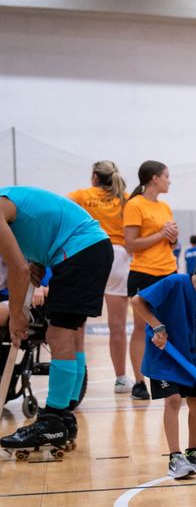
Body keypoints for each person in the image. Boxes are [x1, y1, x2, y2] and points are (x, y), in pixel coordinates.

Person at [0, 186, 112, 454]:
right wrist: (38, 258)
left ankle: (52, 420)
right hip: (87, 249)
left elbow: (18, 269)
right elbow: (33, 246)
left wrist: (16, 316)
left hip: (79, 250)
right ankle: (62, 417)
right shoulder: (7, 200)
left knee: (58, 334)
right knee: (68, 334)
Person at [130, 247, 196, 479]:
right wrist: (157, 326)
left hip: (188, 360)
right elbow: (137, 301)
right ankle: (175, 456)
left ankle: (193, 451)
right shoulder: (174, 283)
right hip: (163, 358)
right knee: (172, 401)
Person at [68, 160, 134, 393]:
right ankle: (121, 379)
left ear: (95, 177)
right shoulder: (125, 197)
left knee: (77, 324)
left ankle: (77, 379)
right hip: (118, 258)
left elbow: (64, 213)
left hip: (90, 255)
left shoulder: (81, 195)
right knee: (117, 326)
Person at [124, 160, 179, 401]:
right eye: (166, 176)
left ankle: (169, 378)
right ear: (155, 179)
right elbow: (131, 244)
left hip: (168, 271)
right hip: (144, 273)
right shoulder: (135, 205)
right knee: (141, 328)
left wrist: (173, 238)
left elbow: (171, 242)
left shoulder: (165, 207)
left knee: (169, 327)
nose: (169, 180)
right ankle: (138, 382)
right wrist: (160, 234)